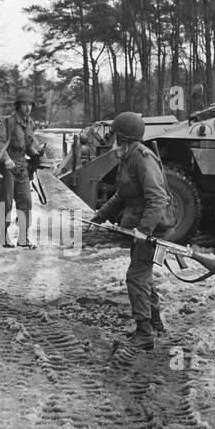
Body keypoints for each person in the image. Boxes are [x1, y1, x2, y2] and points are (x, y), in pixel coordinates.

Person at [89, 111, 174, 350]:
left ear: (123, 138)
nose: (112, 141)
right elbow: (122, 194)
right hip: (142, 228)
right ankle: (155, 325)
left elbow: (158, 199)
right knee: (143, 275)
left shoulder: (142, 158)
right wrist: (100, 216)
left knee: (135, 278)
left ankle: (144, 334)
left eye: (115, 135)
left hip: (153, 229)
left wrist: (144, 231)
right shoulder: (128, 157)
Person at [0, 89, 46, 248]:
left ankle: (23, 237)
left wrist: (35, 152)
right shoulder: (8, 122)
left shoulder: (30, 124)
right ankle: (4, 235)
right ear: (18, 106)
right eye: (24, 104)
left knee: (26, 202)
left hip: (22, 167)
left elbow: (27, 144)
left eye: (30, 104)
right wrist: (6, 159)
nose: (28, 107)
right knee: (6, 202)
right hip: (7, 168)